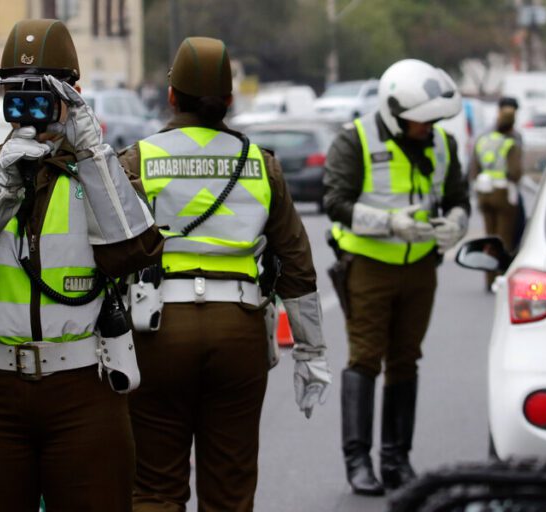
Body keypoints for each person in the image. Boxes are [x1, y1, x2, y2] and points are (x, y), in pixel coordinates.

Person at [0, 19, 163, 512]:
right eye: (16, 90)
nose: (29, 105)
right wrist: (3, 185)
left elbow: (136, 250)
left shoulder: (105, 178)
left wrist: (92, 152)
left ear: (72, 92)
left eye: (44, 90)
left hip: (84, 388)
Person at [119, 36, 332, 512]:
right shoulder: (260, 164)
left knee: (154, 486)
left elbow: (110, 253)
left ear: (172, 96)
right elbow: (297, 266)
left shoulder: (138, 159)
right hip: (239, 331)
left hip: (157, 331)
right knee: (230, 488)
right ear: (229, 100)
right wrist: (311, 351)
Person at [324, 59, 471, 495]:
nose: (427, 129)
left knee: (406, 359)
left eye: (432, 122)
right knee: (366, 358)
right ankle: (358, 462)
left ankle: (396, 460)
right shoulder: (355, 141)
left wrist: (457, 224)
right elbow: (336, 202)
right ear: (393, 112)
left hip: (421, 267)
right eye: (418, 122)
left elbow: (458, 196)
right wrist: (389, 223)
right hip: (368, 266)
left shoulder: (442, 144)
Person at [469, 97, 523, 290]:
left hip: (484, 192)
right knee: (504, 238)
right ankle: (501, 276)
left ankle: (488, 278)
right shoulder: (511, 142)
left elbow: (473, 168)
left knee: (489, 237)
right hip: (503, 193)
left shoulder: (483, 139)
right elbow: (516, 172)